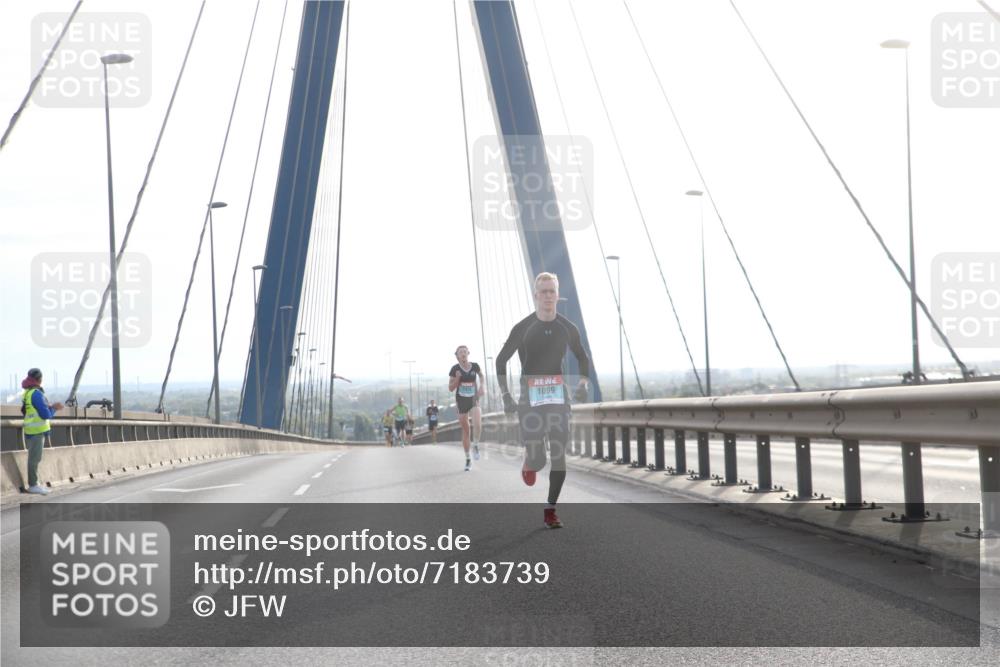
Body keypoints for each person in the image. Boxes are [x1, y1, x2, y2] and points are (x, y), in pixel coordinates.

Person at [496, 272, 590, 529]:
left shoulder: (567, 327)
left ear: (557, 295)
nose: (548, 296)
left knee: (558, 454)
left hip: (558, 396)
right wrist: (505, 395)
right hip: (530, 397)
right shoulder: (523, 327)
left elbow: (582, 357)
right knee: (538, 460)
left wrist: (582, 383)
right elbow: (501, 360)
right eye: (543, 292)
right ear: (536, 295)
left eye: (552, 291)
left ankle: (551, 509)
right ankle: (530, 461)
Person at [20, 368, 64, 495]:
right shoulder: (37, 394)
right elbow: (45, 415)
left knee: (34, 458)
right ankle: (33, 485)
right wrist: (54, 408)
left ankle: (35, 483)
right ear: (40, 379)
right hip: (37, 431)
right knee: (35, 459)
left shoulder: (28, 393)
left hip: (31, 430)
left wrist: (49, 407)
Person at [448, 345, 485, 472]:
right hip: (461, 401)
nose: (463, 354)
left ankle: (475, 445)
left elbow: (481, 376)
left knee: (478, 424)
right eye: (460, 352)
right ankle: (468, 459)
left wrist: (482, 386)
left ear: (468, 353)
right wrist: (458, 378)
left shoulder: (475, 366)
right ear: (457, 356)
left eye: (465, 351)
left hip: (473, 399)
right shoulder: (454, 369)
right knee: (466, 431)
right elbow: (451, 388)